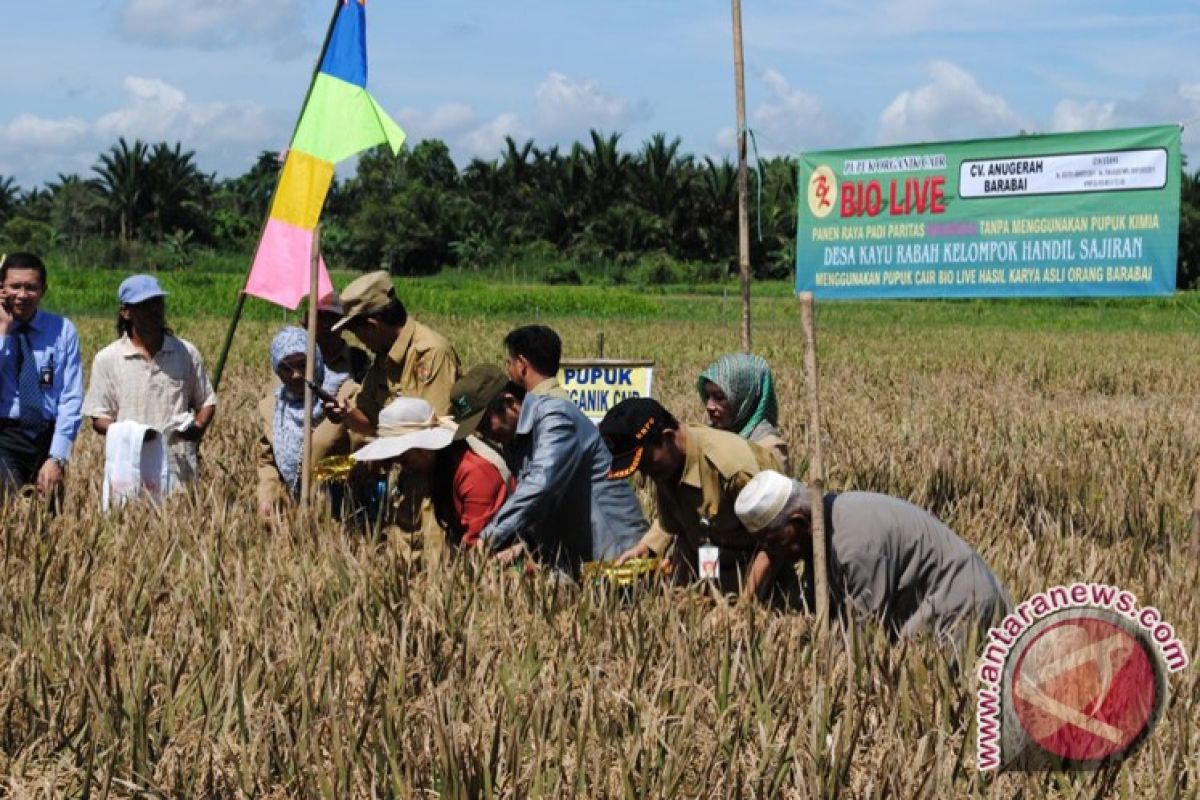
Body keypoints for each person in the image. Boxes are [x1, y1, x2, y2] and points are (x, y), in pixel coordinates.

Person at [735, 470, 1010, 649]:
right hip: (930, 599)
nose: (772, 552)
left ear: (798, 522)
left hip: (960, 601)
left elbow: (863, 636)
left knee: (912, 675)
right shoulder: (821, 525)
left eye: (773, 542)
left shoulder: (854, 547)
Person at [451, 364, 647, 576]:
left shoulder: (554, 417)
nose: (486, 435)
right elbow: (542, 506)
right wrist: (524, 544)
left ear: (509, 403)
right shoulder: (512, 440)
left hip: (616, 553)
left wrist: (488, 538)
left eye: (486, 425)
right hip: (578, 560)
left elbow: (542, 485)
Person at [599, 397, 791, 603]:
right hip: (714, 588)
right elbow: (682, 533)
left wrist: (743, 610)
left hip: (767, 593)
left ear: (668, 437)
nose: (645, 474)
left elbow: (779, 540)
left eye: (645, 463)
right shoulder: (666, 465)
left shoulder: (730, 468)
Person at [84, 274, 216, 488]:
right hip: (129, 468)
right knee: (128, 518)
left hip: (178, 469)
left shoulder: (185, 353)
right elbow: (99, 417)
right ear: (126, 312)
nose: (154, 310)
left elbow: (206, 401)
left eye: (157, 303)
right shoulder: (107, 359)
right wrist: (133, 436)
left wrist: (198, 426)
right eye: (144, 305)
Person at [352, 396, 512, 552]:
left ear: (424, 446)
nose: (398, 462)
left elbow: (478, 549)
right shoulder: (432, 464)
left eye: (403, 456)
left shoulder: (473, 473)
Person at [0, 252, 83, 505]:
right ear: (1, 288)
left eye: (31, 288)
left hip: (46, 438)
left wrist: (57, 456)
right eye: (15, 286)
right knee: (11, 517)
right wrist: (3, 330)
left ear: (43, 290)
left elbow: (71, 397)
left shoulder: (62, 330)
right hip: (5, 436)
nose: (22, 295)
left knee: (48, 526)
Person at [329, 271, 460, 428]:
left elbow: (435, 430)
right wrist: (347, 414)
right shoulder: (383, 356)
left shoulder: (431, 353)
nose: (360, 342)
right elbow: (369, 418)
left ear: (372, 326)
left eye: (358, 333)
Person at [256, 326, 354, 520]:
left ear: (316, 360)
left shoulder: (344, 394)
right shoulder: (273, 408)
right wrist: (267, 497)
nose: (296, 375)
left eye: (303, 365)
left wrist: (321, 480)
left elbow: (363, 450)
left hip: (342, 515)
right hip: (291, 515)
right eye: (286, 368)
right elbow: (267, 461)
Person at [698, 353, 789, 472]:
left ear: (745, 400)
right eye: (707, 396)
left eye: (719, 397)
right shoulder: (708, 438)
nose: (709, 406)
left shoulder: (767, 450)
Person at [314, 292, 370, 387]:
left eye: (333, 317)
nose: (326, 325)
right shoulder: (302, 357)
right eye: (321, 317)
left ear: (344, 323)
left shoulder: (358, 359)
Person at [503, 324, 569, 399]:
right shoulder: (558, 399)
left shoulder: (546, 407)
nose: (507, 369)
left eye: (509, 363)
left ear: (521, 364)